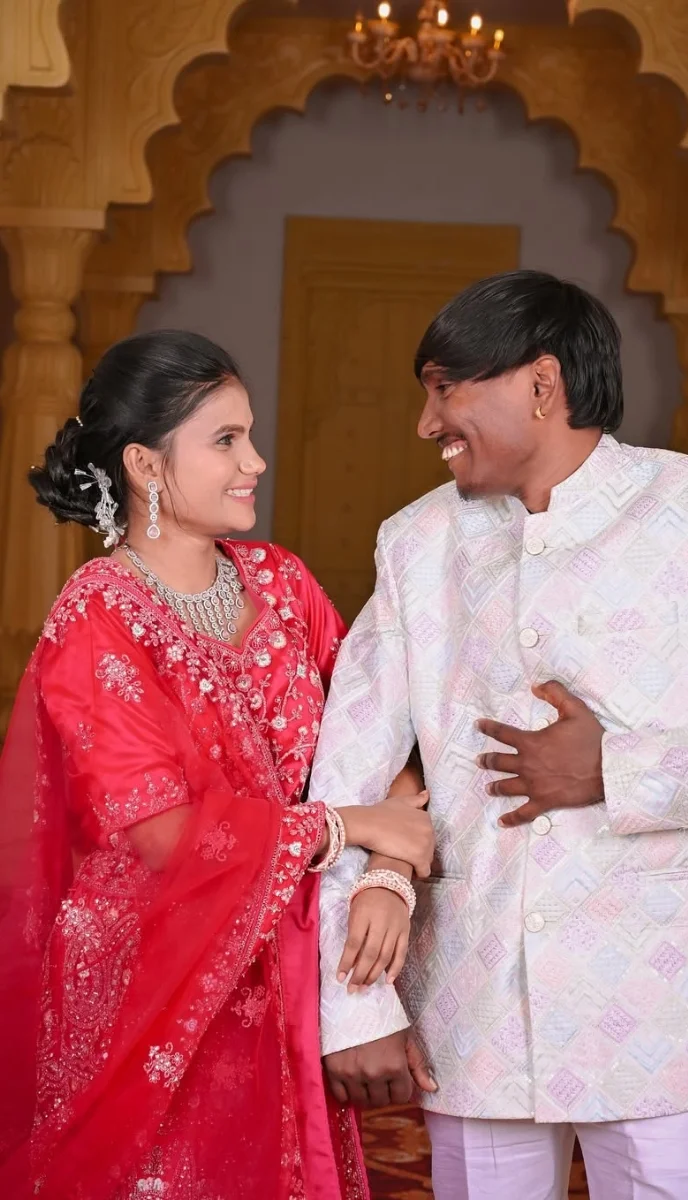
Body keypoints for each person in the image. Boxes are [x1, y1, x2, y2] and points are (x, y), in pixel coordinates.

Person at [309, 270, 688, 1200]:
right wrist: (354, 1004)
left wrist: (617, 769)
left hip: (676, 1006)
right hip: (479, 997)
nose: (426, 423)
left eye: (444, 389)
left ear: (542, 384)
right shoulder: (417, 544)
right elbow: (345, 782)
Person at [0, 330, 435, 1200]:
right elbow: (160, 834)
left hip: (286, 963)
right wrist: (349, 827)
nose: (256, 462)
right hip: (152, 983)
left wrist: (389, 873)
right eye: (226, 440)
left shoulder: (283, 584)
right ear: (145, 465)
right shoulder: (97, 618)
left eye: (251, 435)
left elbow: (384, 739)